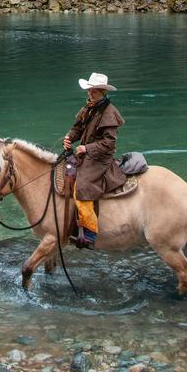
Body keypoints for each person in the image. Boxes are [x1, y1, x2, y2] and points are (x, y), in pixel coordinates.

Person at [63, 72, 126, 249]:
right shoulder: (89, 108)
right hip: (87, 154)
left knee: (83, 186)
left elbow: (109, 143)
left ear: (102, 92)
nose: (90, 93)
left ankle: (90, 234)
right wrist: (69, 137)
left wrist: (87, 148)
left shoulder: (109, 112)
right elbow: (77, 128)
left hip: (100, 157)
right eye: (89, 90)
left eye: (93, 91)